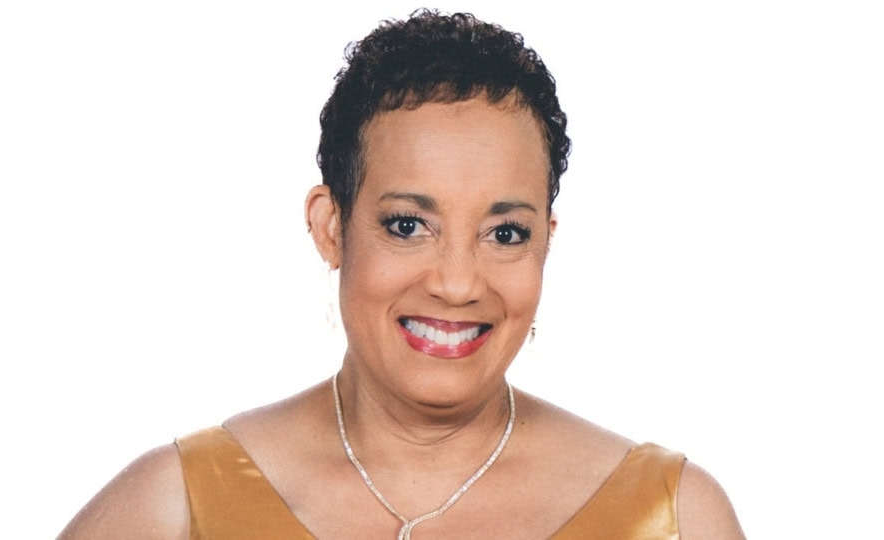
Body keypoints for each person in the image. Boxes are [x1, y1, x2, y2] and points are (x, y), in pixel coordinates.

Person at [61, 10, 744, 539]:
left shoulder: (672, 517)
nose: (455, 282)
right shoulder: (180, 506)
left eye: (504, 234)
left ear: (544, 244)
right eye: (407, 225)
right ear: (332, 226)